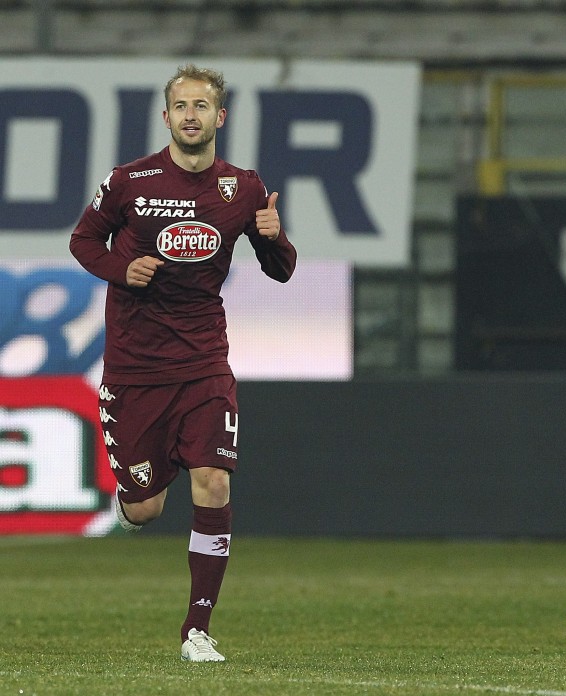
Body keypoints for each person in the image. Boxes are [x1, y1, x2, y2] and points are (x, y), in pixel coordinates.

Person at [70, 64, 298, 661]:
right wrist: (123, 270)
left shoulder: (243, 189)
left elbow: (282, 269)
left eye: (202, 106)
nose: (191, 115)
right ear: (167, 116)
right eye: (181, 107)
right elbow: (83, 241)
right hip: (135, 365)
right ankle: (129, 498)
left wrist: (274, 235)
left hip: (204, 361)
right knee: (145, 508)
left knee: (214, 479)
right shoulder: (129, 181)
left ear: (219, 117)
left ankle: (197, 629)